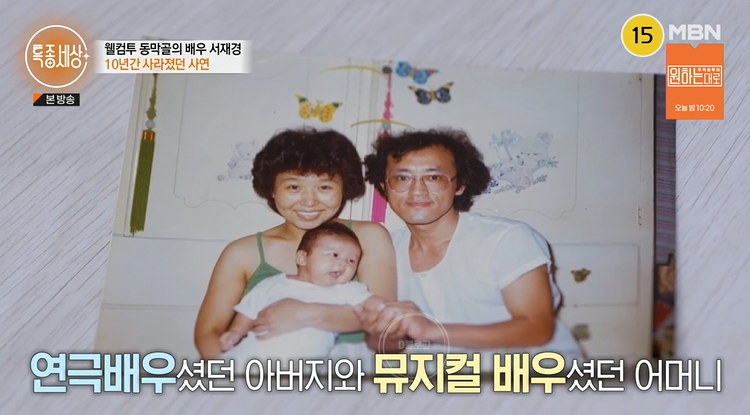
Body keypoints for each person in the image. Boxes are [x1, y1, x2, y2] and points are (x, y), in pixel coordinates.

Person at [356, 128, 584, 367]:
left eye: (434, 177)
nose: (417, 190)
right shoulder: (385, 250)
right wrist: (388, 332)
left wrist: (430, 330)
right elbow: (385, 346)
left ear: (460, 185)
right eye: (402, 178)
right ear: (384, 186)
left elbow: (537, 329)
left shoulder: (506, 239)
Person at [194, 127, 397, 363]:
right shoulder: (242, 253)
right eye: (293, 187)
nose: (309, 201)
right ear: (272, 189)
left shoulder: (368, 237)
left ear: (344, 189)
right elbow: (208, 334)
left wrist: (304, 314)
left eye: (324, 187)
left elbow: (384, 322)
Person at [220, 222, 386, 364]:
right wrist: (235, 332)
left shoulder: (346, 290)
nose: (343, 263)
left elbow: (374, 305)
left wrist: (383, 307)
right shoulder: (274, 283)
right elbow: (248, 310)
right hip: (252, 356)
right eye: (334, 254)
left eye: (351, 260)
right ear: (302, 258)